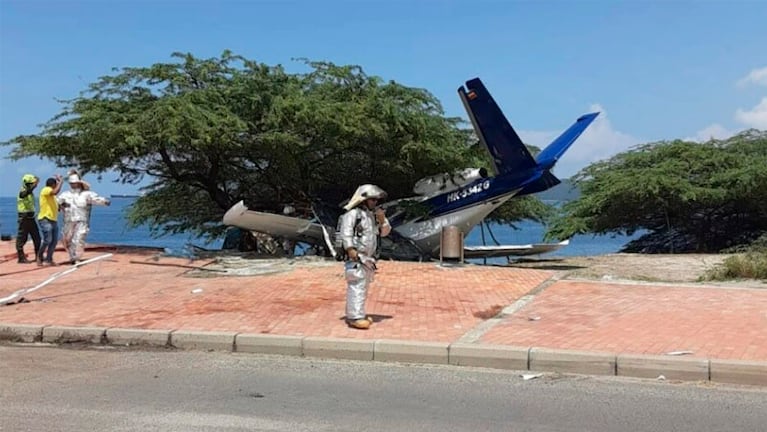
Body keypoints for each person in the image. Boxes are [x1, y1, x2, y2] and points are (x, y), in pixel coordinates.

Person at [338, 184, 391, 329]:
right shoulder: (353, 214)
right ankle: (355, 317)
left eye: (376, 200)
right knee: (357, 285)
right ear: (364, 200)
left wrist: (382, 219)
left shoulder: (372, 216)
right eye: (372, 200)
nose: (375, 203)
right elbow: (346, 232)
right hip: (357, 257)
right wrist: (350, 249)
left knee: (363, 286)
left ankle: (357, 313)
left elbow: (384, 232)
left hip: (368, 258)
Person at [57, 173, 110, 264]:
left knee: (79, 238)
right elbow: (56, 202)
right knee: (67, 239)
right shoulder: (65, 194)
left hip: (82, 220)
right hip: (68, 220)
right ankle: (72, 256)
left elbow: (96, 199)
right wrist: (60, 206)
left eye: (74, 183)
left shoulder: (86, 194)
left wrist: (105, 201)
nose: (73, 185)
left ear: (79, 183)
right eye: (71, 183)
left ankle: (77, 258)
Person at [37, 175, 64, 265]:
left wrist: (61, 207)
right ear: (53, 185)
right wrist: (61, 182)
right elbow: (55, 192)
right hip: (45, 218)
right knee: (48, 240)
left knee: (54, 241)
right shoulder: (46, 190)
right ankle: (40, 256)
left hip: (53, 219)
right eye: (55, 185)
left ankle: (49, 259)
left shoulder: (53, 197)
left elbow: (56, 205)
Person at [16, 174, 41, 264]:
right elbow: (24, 194)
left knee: (36, 237)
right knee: (22, 238)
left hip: (31, 217)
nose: (33, 185)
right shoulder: (23, 191)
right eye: (31, 184)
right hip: (24, 217)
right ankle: (21, 257)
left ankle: (38, 255)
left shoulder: (30, 192)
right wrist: (34, 185)